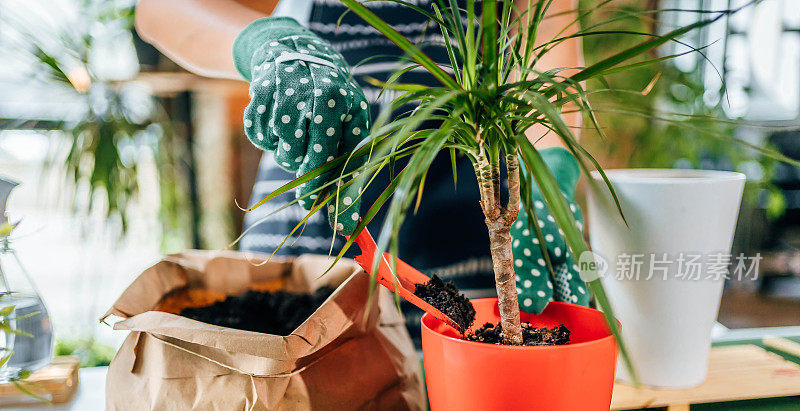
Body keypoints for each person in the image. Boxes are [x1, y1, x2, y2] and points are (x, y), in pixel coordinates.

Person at [136, 0, 582, 335]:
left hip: (476, 240)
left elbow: (549, 24)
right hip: (313, 243)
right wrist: (268, 43)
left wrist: (551, 171)